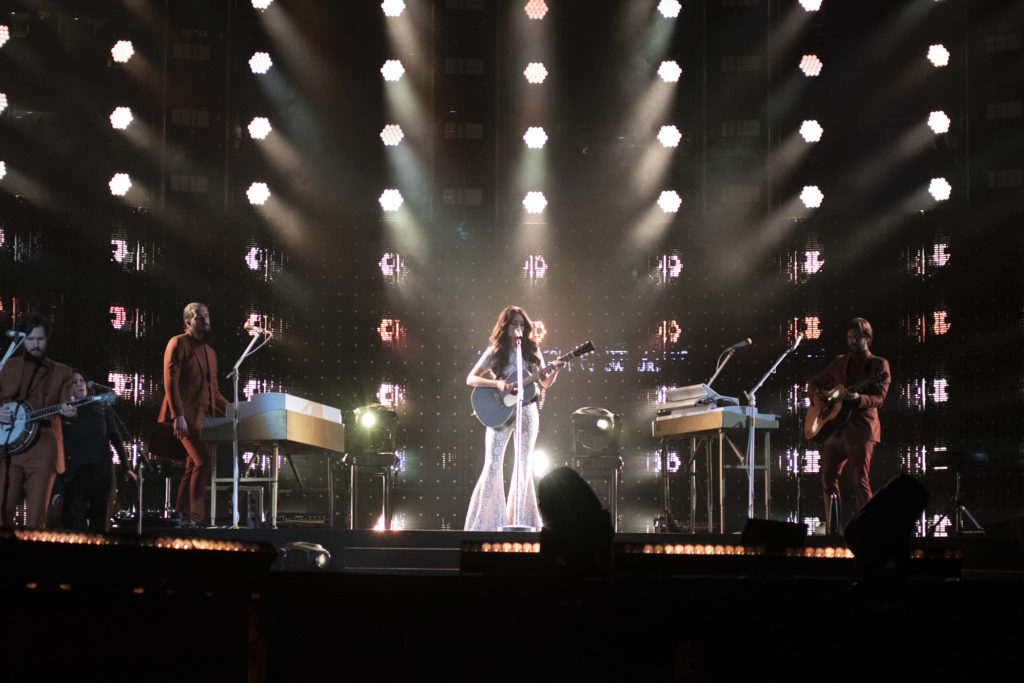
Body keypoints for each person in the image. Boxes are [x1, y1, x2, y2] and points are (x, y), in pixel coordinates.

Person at [464, 306, 563, 531]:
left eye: (521, 325)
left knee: (523, 465)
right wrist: (497, 383)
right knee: (492, 463)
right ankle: (488, 523)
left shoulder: (532, 350)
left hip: (527, 410)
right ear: (505, 326)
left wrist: (555, 369)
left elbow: (545, 382)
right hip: (499, 412)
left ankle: (522, 521)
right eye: (514, 324)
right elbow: (471, 378)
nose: (518, 329)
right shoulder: (494, 351)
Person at [809, 317, 891, 531]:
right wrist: (818, 399)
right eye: (849, 337)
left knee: (859, 480)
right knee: (827, 479)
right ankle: (833, 529)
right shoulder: (839, 361)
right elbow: (814, 382)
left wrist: (858, 399)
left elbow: (880, 399)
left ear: (867, 338)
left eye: (857, 338)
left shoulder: (878, 364)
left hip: (861, 430)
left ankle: (870, 530)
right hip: (835, 430)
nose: (852, 342)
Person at [0, 312, 75, 528]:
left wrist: (69, 411)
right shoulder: (7, 367)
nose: (35, 344)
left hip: (43, 449)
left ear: (47, 340)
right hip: (7, 450)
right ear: (22, 339)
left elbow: (67, 404)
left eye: (40, 339)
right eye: (30, 339)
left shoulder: (62, 372)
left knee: (35, 518)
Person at [158, 302, 227, 527]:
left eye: (207, 316)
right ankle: (195, 519)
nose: (205, 321)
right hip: (185, 415)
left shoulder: (210, 353)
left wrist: (235, 411)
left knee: (193, 465)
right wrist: (178, 415)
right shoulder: (178, 343)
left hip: (203, 417)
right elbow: (171, 381)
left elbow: (213, 391)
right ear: (187, 322)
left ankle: (183, 517)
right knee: (203, 461)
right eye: (199, 317)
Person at [59, 371, 130, 532]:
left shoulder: (100, 406)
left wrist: (126, 466)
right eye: (74, 382)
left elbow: (115, 436)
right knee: (74, 522)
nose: (79, 385)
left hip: (102, 469)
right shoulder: (64, 411)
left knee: (101, 521)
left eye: (81, 381)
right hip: (76, 472)